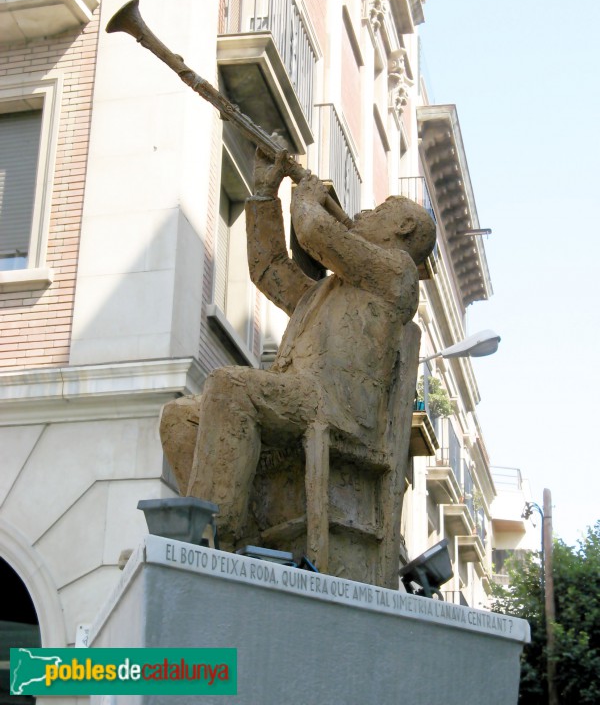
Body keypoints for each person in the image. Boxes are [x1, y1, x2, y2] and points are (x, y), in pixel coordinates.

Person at [160, 149, 436, 546]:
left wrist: (306, 198)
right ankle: (237, 530)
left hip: (336, 406)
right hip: (300, 396)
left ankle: (212, 535)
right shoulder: (330, 291)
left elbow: (316, 234)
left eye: (374, 213)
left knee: (231, 385)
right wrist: (263, 194)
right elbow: (268, 268)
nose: (361, 216)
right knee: (180, 416)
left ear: (404, 226)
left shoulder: (397, 274)